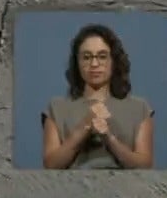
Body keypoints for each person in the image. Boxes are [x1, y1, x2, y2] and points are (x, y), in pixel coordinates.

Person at [41, 24, 154, 169]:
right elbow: (51, 165)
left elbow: (145, 166)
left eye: (102, 56)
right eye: (86, 57)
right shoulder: (56, 107)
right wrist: (85, 126)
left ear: (114, 61)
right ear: (77, 63)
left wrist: (109, 138)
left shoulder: (140, 107)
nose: (94, 64)